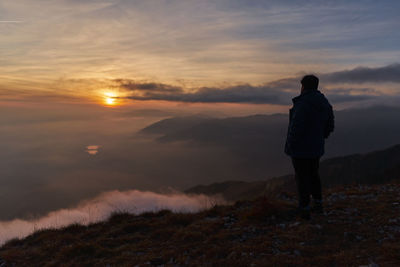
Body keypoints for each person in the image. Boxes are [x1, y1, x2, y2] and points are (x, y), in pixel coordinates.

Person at [284, 75, 334, 220]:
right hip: (316, 147)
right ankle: (318, 204)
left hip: (300, 148)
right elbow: (330, 125)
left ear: (303, 87)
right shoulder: (324, 102)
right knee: (313, 174)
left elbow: (296, 127)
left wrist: (291, 144)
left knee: (301, 177)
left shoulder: (302, 103)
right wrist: (320, 137)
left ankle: (304, 209)